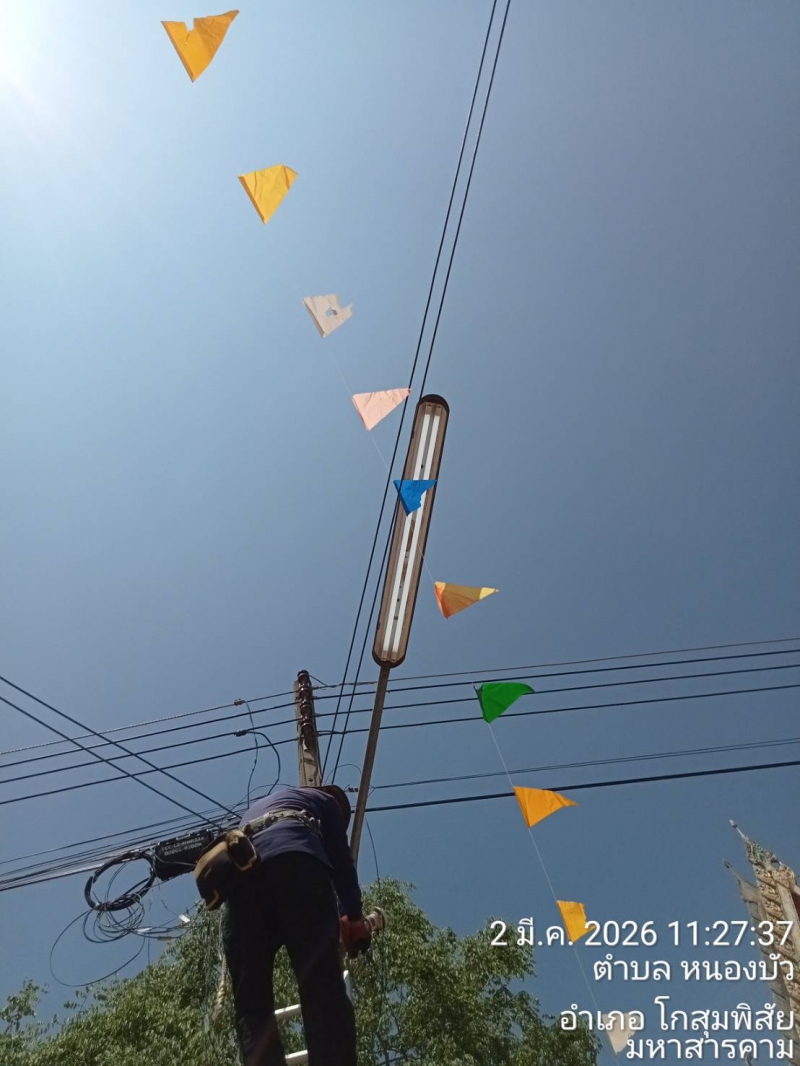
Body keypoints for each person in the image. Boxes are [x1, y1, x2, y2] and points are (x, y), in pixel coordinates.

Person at [221, 784, 371, 1066]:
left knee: (251, 1005)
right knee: (322, 988)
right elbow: (341, 862)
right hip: (296, 867)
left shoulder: (262, 806)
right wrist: (354, 917)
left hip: (242, 879)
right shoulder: (328, 801)